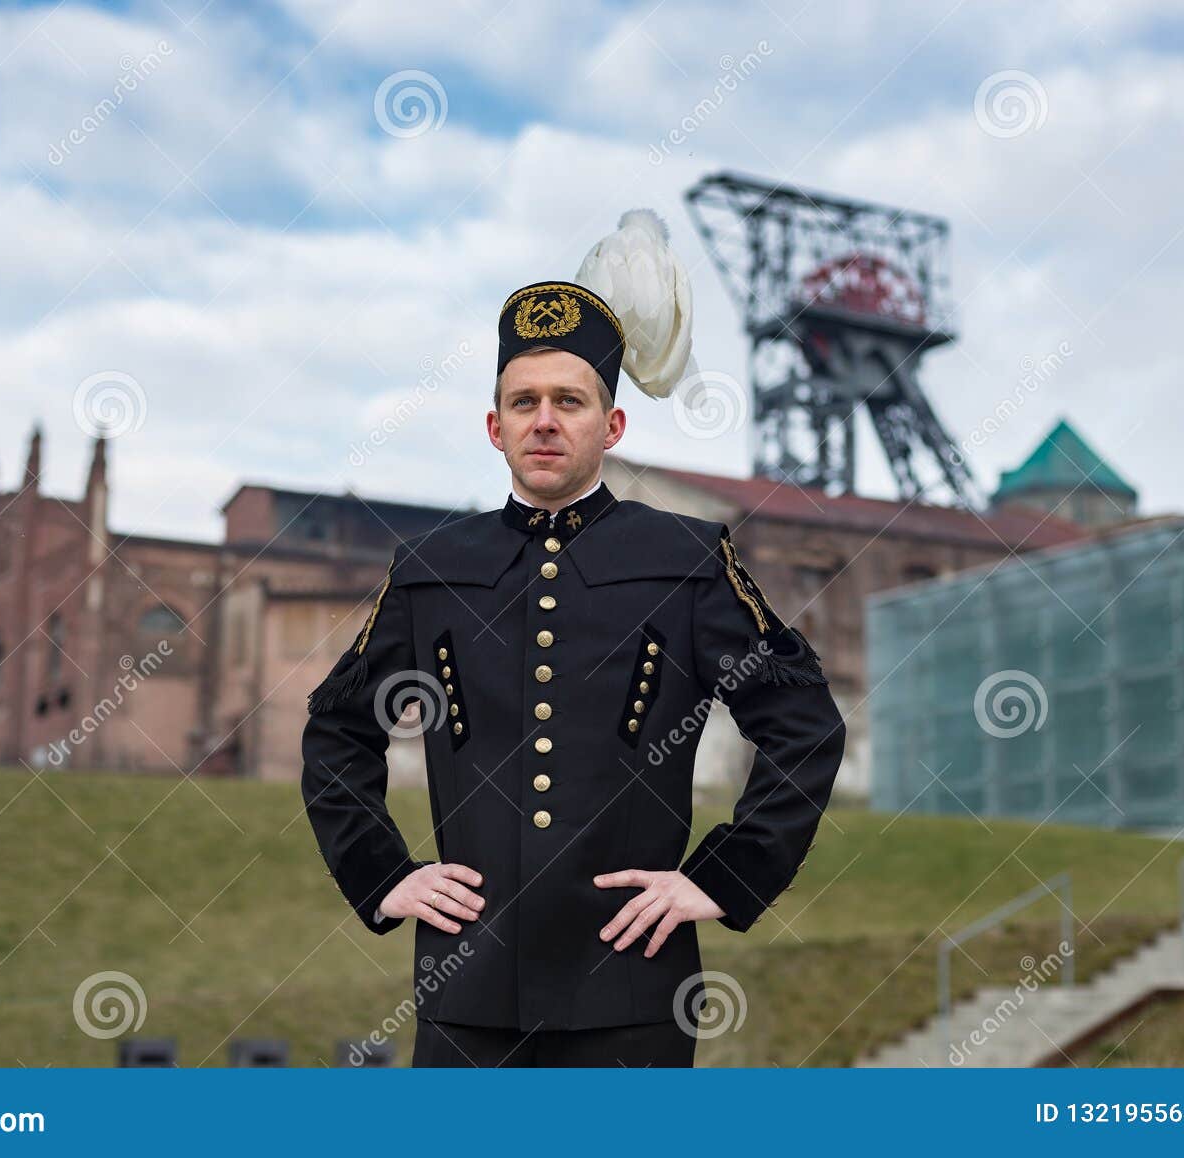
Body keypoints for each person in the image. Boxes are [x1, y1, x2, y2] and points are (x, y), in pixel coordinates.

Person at [300, 209, 846, 1067]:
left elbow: (804, 723)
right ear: (496, 427)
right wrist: (382, 874)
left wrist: (723, 876)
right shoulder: (430, 567)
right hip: (465, 995)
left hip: (633, 993)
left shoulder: (687, 557)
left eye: (569, 401)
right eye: (524, 402)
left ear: (612, 427)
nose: (545, 420)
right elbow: (338, 729)